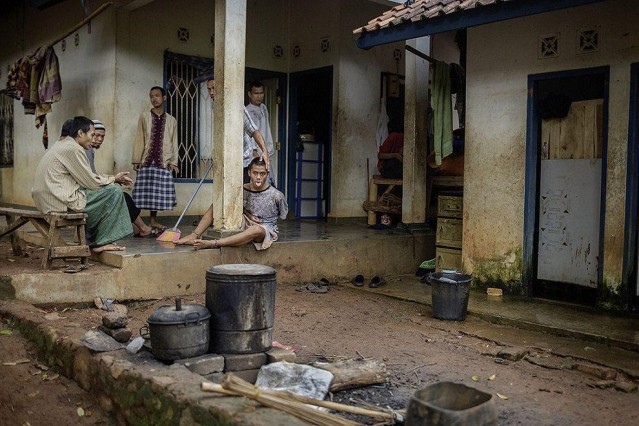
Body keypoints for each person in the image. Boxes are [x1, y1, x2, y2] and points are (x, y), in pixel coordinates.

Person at [32, 116, 134, 253]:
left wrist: (110, 179)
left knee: (95, 194)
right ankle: (99, 242)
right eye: (92, 135)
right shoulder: (73, 149)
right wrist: (114, 179)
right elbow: (91, 182)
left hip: (46, 201)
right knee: (114, 192)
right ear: (80, 133)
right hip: (58, 203)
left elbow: (85, 179)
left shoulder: (61, 145)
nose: (94, 139)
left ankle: (90, 240)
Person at [175, 157, 287, 250]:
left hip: (264, 229)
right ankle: (194, 235)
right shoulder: (241, 189)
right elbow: (240, 208)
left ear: (267, 175)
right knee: (219, 204)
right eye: (255, 173)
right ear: (249, 173)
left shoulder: (276, 195)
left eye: (262, 174)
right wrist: (248, 215)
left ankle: (213, 243)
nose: (258, 177)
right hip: (246, 221)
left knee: (256, 230)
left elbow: (282, 216)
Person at [87, 119, 157, 237]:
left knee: (120, 194)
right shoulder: (86, 150)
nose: (99, 139)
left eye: (102, 136)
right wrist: (113, 179)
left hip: (88, 191)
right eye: (96, 135)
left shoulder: (89, 150)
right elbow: (90, 179)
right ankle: (143, 228)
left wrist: (111, 180)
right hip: (85, 196)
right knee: (122, 196)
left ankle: (136, 228)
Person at [131, 86, 179, 231]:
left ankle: (152, 221)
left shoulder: (171, 120)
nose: (154, 99)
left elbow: (174, 141)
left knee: (156, 193)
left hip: (162, 161)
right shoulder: (144, 116)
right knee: (141, 193)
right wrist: (136, 159)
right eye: (151, 96)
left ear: (164, 98)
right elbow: (140, 137)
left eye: (157, 95)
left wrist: (173, 162)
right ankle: (136, 222)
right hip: (147, 160)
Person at [203, 78, 270, 180]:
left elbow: (253, 130)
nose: (211, 92)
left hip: (242, 162)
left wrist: (264, 151)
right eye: (209, 89)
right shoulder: (214, 104)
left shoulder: (235, 106)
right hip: (226, 162)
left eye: (214, 88)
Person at [244, 81, 276, 184]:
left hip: (265, 151)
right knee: (258, 180)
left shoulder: (263, 108)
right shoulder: (247, 110)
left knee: (269, 181)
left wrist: (268, 150)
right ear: (249, 94)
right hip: (255, 153)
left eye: (261, 93)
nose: (259, 96)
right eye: (256, 93)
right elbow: (249, 132)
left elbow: (266, 130)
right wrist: (254, 151)